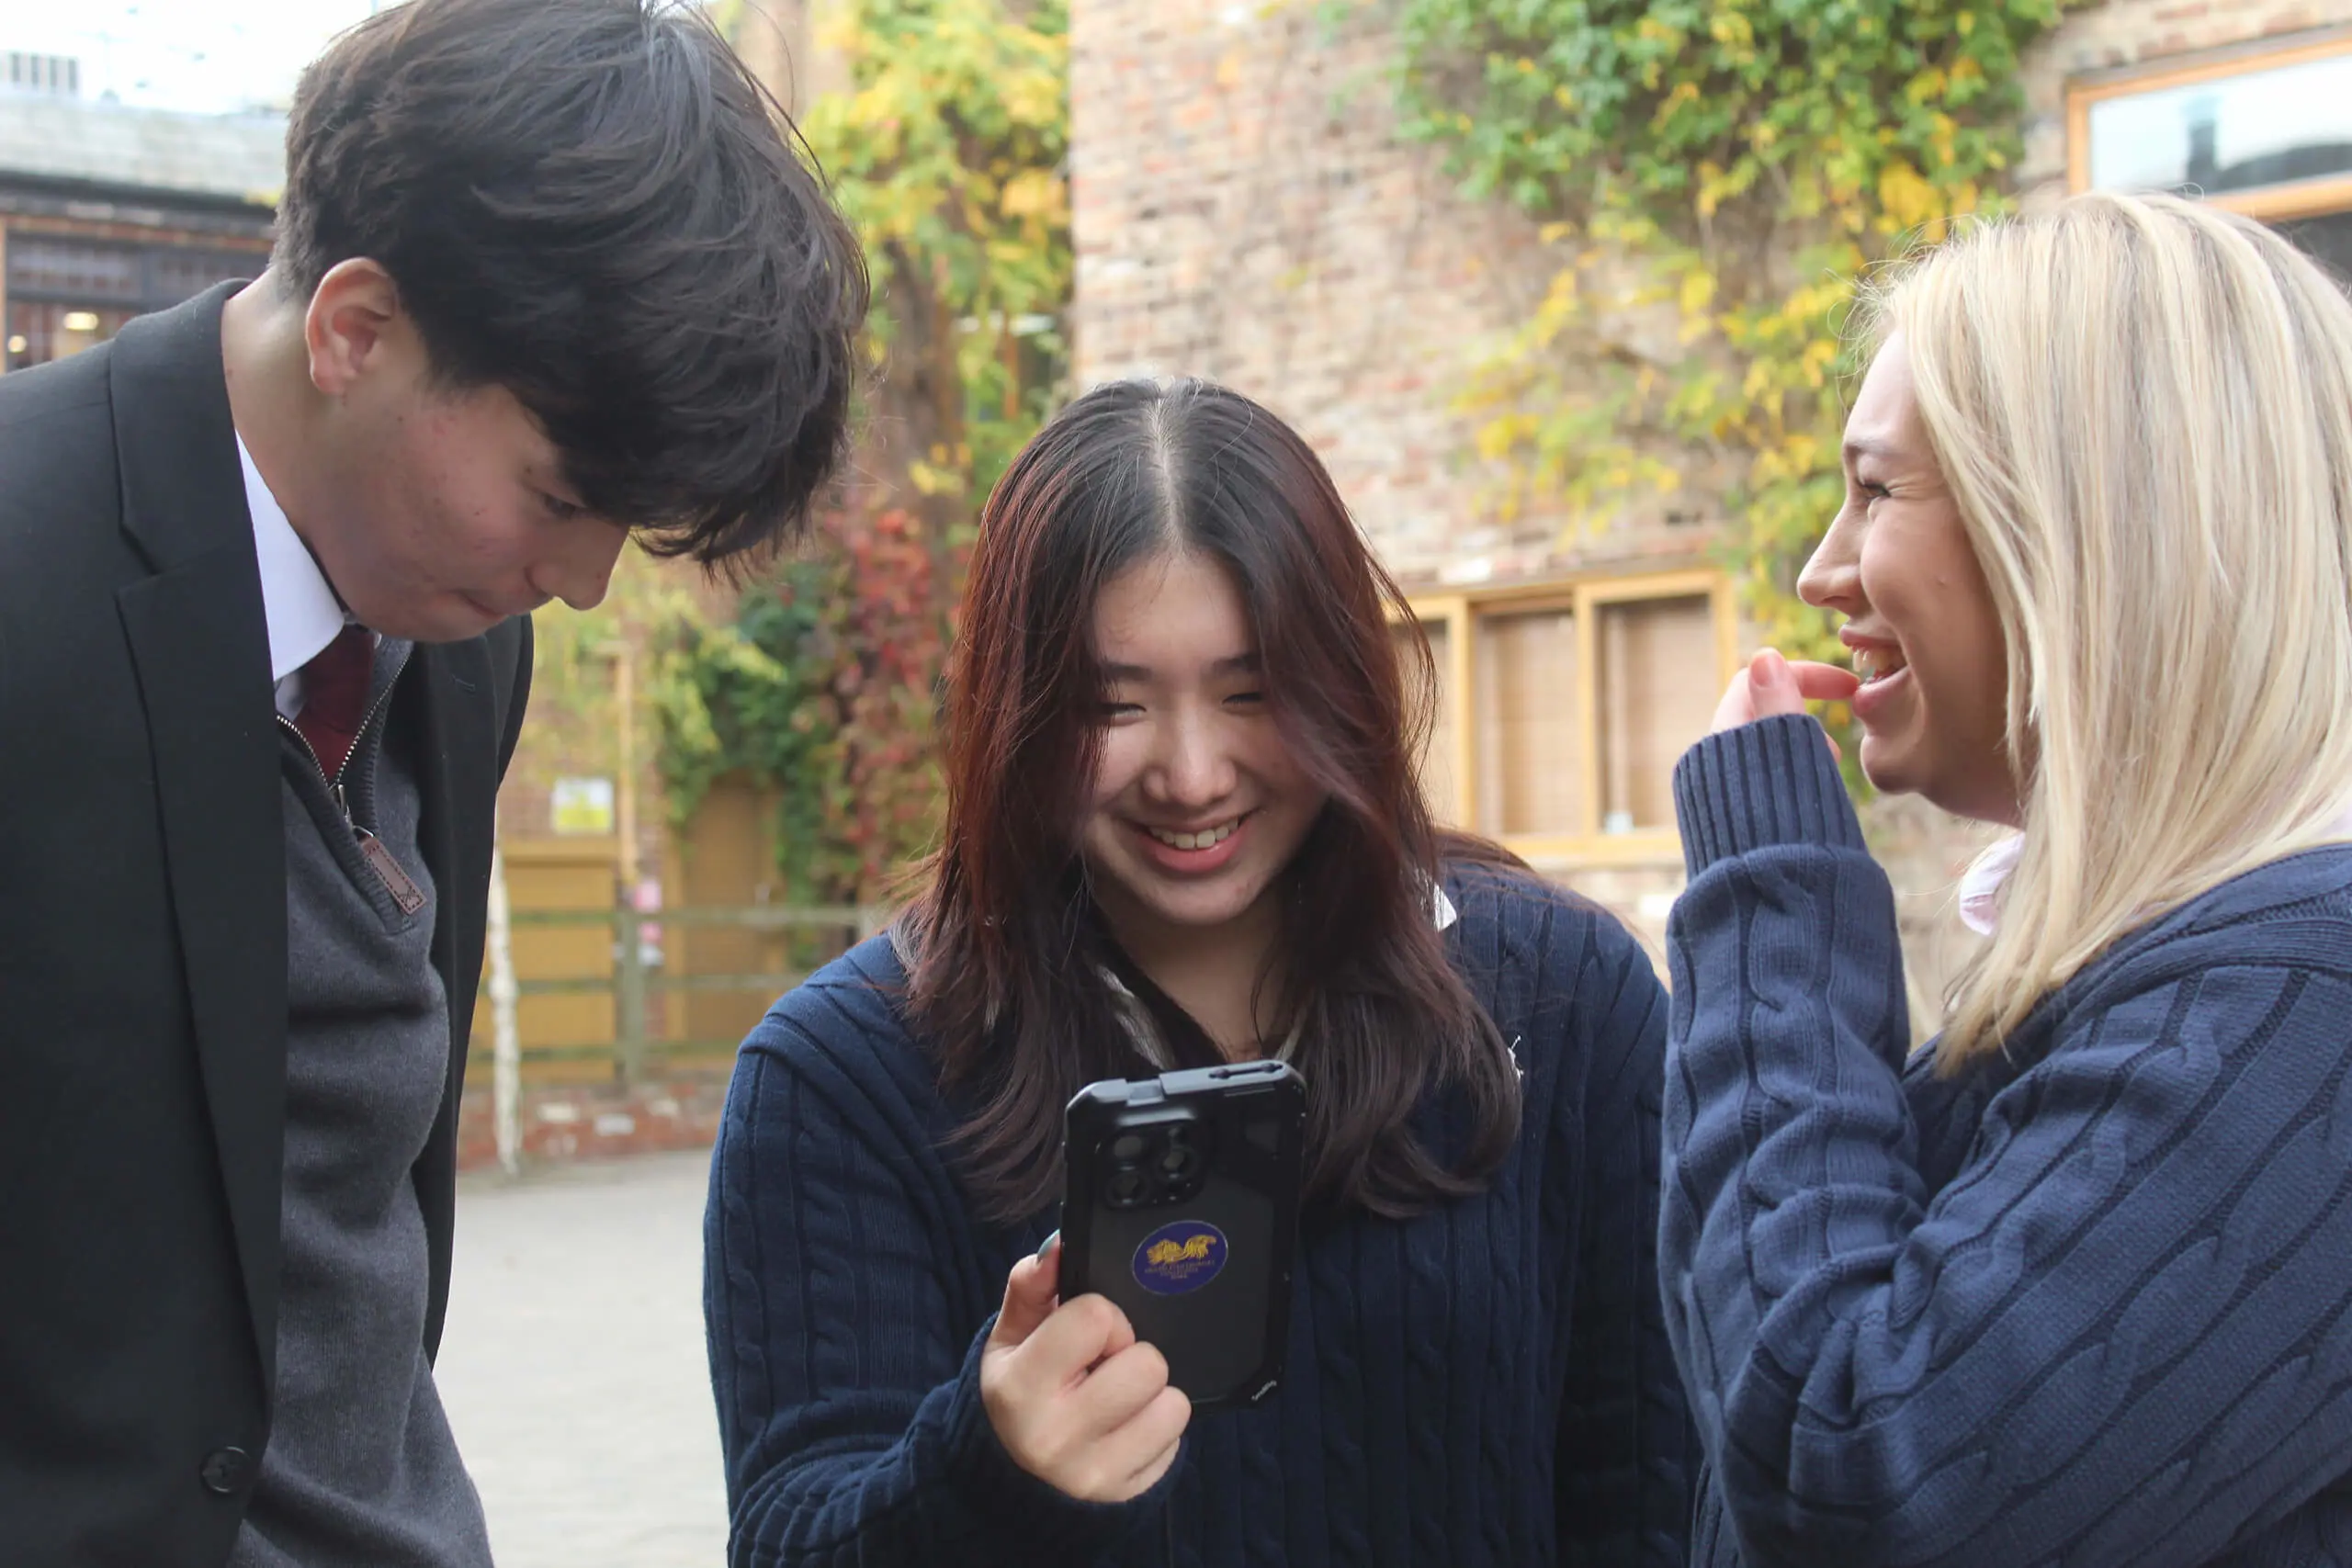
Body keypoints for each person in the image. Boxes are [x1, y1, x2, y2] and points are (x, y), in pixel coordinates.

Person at [0, 1, 865, 1562]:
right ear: (353, 327)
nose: (586, 585)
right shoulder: (25, 565)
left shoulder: (467, 638)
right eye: (559, 496)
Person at [705, 378, 1693, 1566]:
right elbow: (788, 1537)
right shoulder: (842, 1076)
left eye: (1251, 691)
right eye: (1111, 704)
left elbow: (1661, 1494)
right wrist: (988, 1471)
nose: (1190, 772)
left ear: (1345, 681)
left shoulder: (1564, 995)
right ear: (1008, 713)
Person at [1661, 190, 2352, 1566]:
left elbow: (1854, 1471)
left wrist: (1773, 899)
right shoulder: (2203, 979)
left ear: (2087, 528)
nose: (1822, 571)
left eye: (1876, 490)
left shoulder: (2301, 1005)